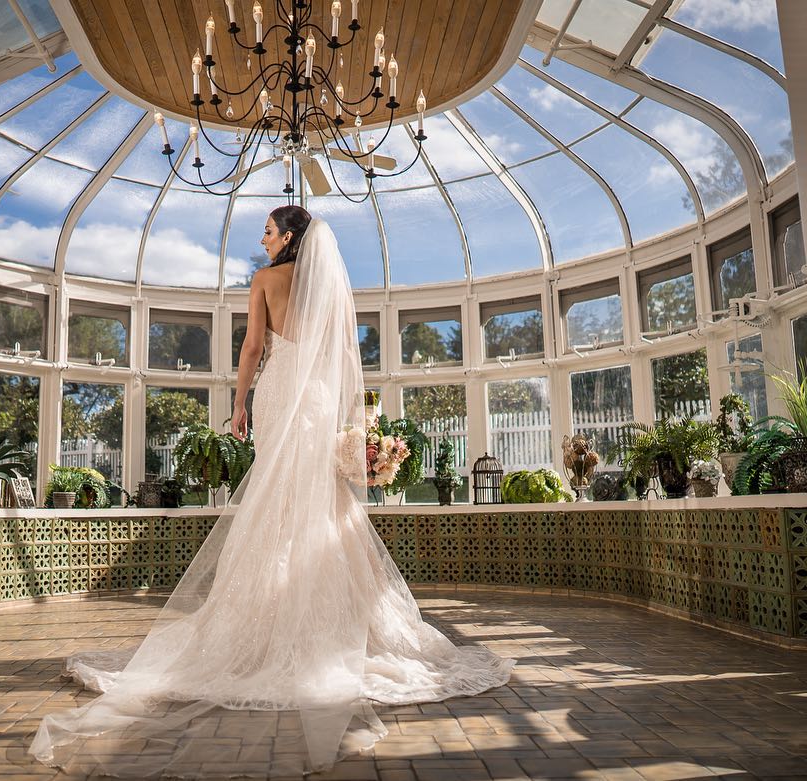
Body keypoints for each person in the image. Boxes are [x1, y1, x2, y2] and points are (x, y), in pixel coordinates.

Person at [29, 206, 514, 778]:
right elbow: (344, 357)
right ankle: (329, 620)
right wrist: (353, 423)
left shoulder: (265, 281)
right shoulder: (328, 290)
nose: (261, 239)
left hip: (279, 393)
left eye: (267, 230)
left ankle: (268, 623)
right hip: (315, 403)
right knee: (323, 506)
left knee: (276, 501)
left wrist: (238, 404)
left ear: (288, 238)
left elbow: (253, 349)